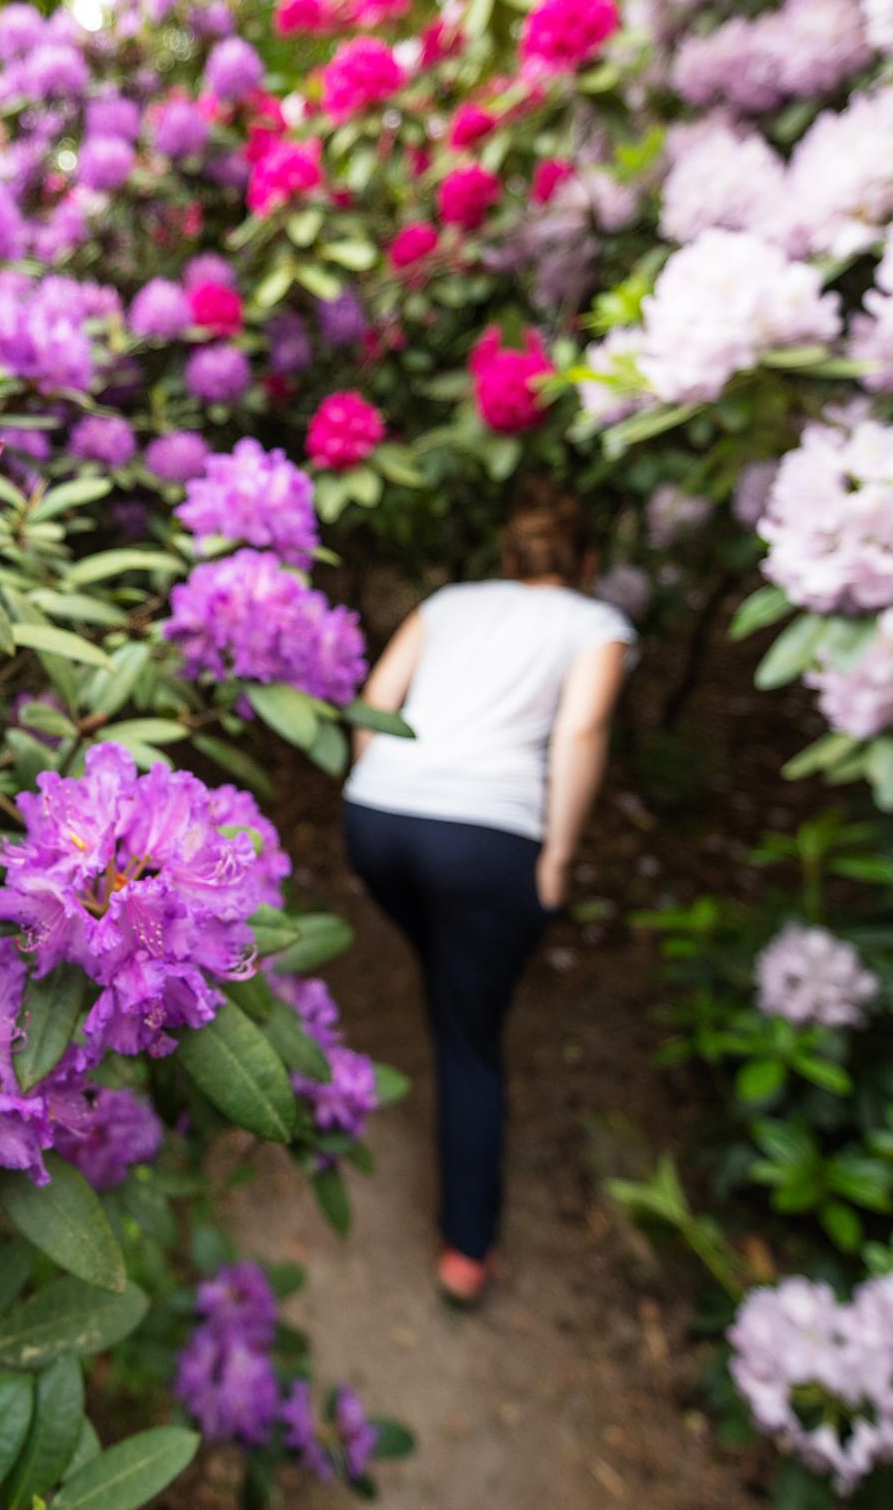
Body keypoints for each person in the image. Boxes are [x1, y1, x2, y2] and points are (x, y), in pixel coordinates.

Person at [341, 489, 633, 1305]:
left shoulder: (448, 603)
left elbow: (374, 701)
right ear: (586, 566)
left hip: (379, 819)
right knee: (469, 1039)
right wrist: (559, 854)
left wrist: (369, 783)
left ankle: (457, 993)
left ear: (509, 560)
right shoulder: (596, 625)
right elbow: (579, 733)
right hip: (485, 837)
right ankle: (467, 1248)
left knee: (455, 967)